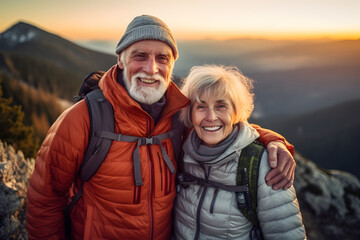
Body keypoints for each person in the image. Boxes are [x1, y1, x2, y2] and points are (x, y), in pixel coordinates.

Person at [26, 15, 296, 239]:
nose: (151, 68)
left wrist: (274, 142)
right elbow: (45, 200)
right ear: (120, 60)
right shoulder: (83, 118)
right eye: (139, 56)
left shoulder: (179, 116)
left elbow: (222, 126)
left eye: (162, 58)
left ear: (172, 65)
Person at [173, 65, 306, 240]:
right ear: (190, 113)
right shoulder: (182, 150)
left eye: (221, 106)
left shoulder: (263, 164)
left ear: (236, 112)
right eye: (201, 107)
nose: (211, 117)